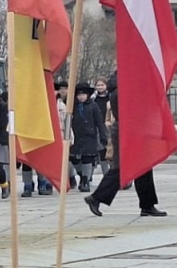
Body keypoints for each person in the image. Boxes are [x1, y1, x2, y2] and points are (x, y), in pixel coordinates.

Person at [84, 72, 166, 217]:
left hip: (132, 127)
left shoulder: (120, 86)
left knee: (144, 166)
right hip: (128, 128)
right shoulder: (121, 89)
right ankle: (97, 198)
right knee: (123, 167)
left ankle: (147, 204)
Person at [69, 81, 108, 192]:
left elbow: (99, 122)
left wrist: (103, 136)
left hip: (89, 136)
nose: (81, 97)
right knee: (74, 159)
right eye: (79, 95)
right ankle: (81, 174)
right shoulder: (73, 106)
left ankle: (85, 180)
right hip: (76, 136)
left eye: (83, 94)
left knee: (87, 159)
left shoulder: (93, 106)